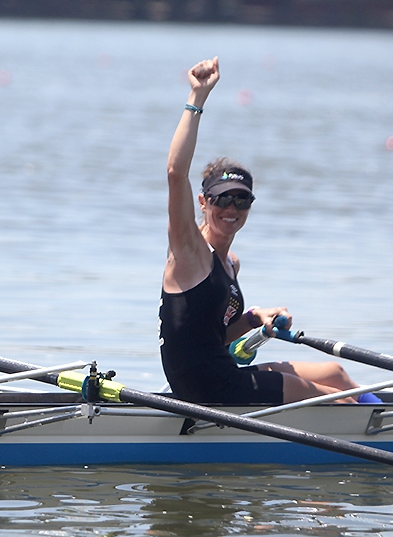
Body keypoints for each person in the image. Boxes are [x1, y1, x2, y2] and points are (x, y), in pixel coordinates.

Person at [158, 57, 370, 405]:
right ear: (203, 201)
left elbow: (213, 336)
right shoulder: (188, 251)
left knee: (336, 375)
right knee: (319, 396)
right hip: (202, 387)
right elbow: (174, 173)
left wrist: (255, 318)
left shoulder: (231, 264)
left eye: (242, 201)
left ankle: (380, 422)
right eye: (222, 200)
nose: (231, 210)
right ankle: (390, 437)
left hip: (222, 371)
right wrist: (197, 97)